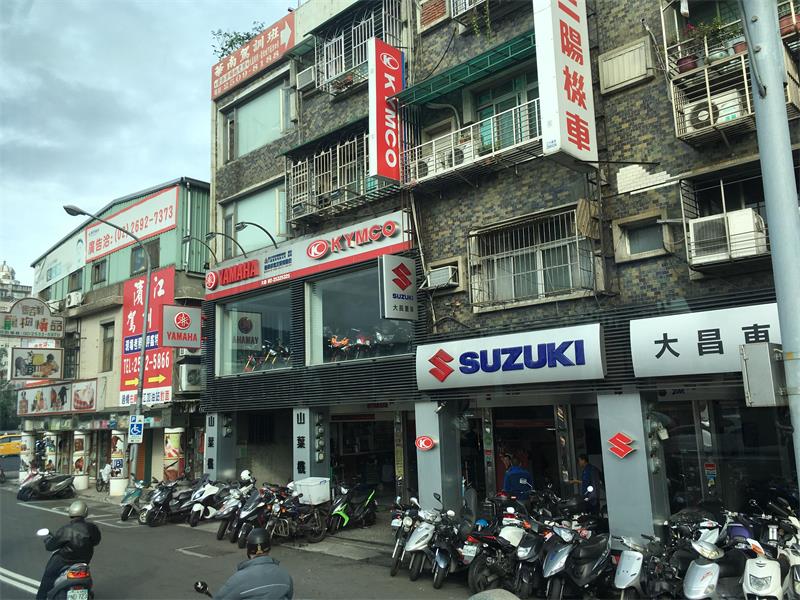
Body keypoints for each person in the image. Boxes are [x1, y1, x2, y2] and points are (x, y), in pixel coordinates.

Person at [37, 500, 101, 600]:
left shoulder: (65, 529)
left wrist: (47, 540)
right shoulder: (92, 528)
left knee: (48, 577)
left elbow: (50, 547)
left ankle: (41, 598)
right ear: (85, 512)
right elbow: (96, 541)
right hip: (84, 561)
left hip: (64, 561)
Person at [215, 528, 293, 600]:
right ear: (269, 548)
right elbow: (289, 596)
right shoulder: (285, 575)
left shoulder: (238, 579)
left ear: (248, 550)